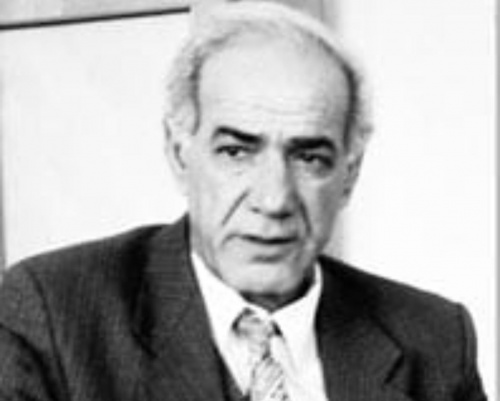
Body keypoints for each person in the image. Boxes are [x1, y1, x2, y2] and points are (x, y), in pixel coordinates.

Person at [0, 2, 487, 401]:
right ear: (179, 153)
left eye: (310, 158)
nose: (273, 199)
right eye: (236, 152)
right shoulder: (50, 317)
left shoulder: (435, 341)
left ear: (349, 176)